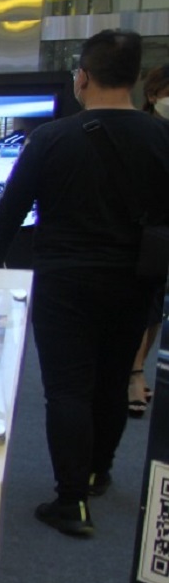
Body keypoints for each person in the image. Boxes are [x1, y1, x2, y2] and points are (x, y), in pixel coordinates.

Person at [0, 29, 169, 538]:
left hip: (63, 280)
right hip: (135, 278)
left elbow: (9, 213)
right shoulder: (162, 138)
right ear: (136, 79)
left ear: (82, 77)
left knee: (67, 388)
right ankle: (98, 472)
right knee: (112, 379)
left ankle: (71, 501)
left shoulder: (51, 139)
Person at [129, 63, 169, 418]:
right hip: (143, 231)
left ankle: (138, 368)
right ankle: (135, 373)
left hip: (163, 231)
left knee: (157, 307)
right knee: (144, 304)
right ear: (154, 95)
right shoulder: (143, 131)